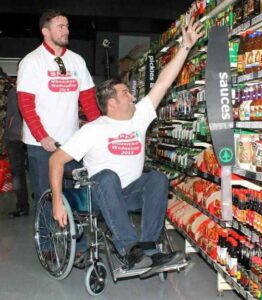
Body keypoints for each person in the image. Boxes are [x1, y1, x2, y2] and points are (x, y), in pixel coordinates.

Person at [49, 18, 204, 274]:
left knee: (156, 178)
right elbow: (56, 160)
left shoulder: (139, 116)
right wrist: (56, 200)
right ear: (111, 103)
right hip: (101, 197)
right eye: (125, 93)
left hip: (130, 193)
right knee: (107, 176)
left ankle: (149, 249)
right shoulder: (92, 130)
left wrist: (185, 48)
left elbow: (163, 83)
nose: (132, 96)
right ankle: (130, 250)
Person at [16, 9, 100, 214]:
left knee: (74, 196)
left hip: (72, 143)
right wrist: (42, 136)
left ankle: (75, 243)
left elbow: (88, 100)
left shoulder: (77, 60)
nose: (66, 31)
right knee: (46, 195)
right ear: (45, 31)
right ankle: (46, 245)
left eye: (67, 26)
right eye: (60, 26)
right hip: (40, 144)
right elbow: (26, 105)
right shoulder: (32, 61)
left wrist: (101, 129)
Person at [4, 85, 29, 218]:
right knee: (36, 170)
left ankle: (23, 206)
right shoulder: (35, 86)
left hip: (16, 137)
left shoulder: (15, 91)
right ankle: (41, 201)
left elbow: (11, 115)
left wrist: (6, 137)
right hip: (32, 136)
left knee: (17, 174)